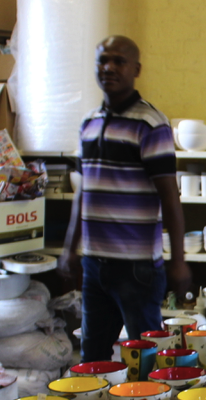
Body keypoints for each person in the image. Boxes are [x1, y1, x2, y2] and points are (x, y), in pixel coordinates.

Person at [58, 35, 191, 362]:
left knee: (145, 358)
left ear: (136, 69)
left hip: (137, 270)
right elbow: (83, 191)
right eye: (103, 61)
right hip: (94, 266)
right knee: (93, 357)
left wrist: (178, 261)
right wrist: (70, 248)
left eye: (119, 61)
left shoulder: (150, 124)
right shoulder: (89, 124)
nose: (109, 68)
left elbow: (170, 198)